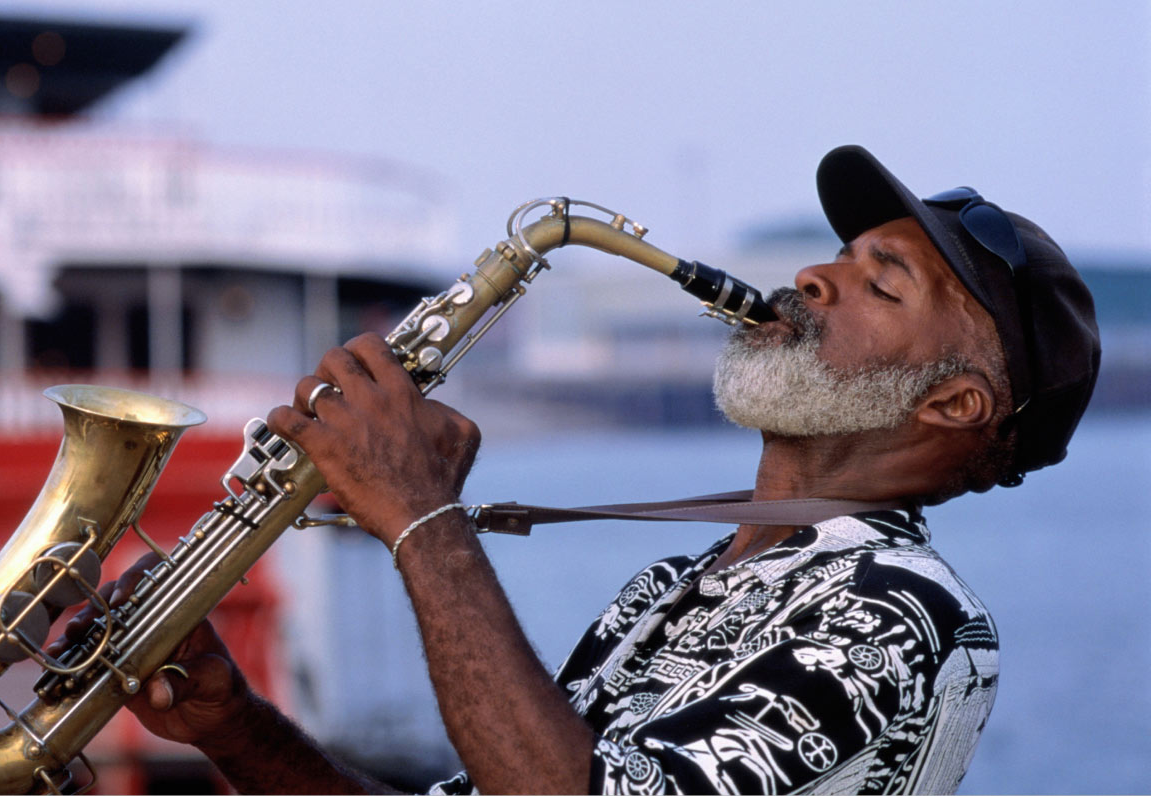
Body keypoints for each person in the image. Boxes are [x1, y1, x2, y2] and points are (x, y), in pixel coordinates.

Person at [66, 145, 1100, 794]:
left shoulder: (898, 611)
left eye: (879, 282)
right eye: (837, 255)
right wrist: (234, 728)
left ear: (952, 402)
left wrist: (424, 520)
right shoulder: (675, 585)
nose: (811, 276)